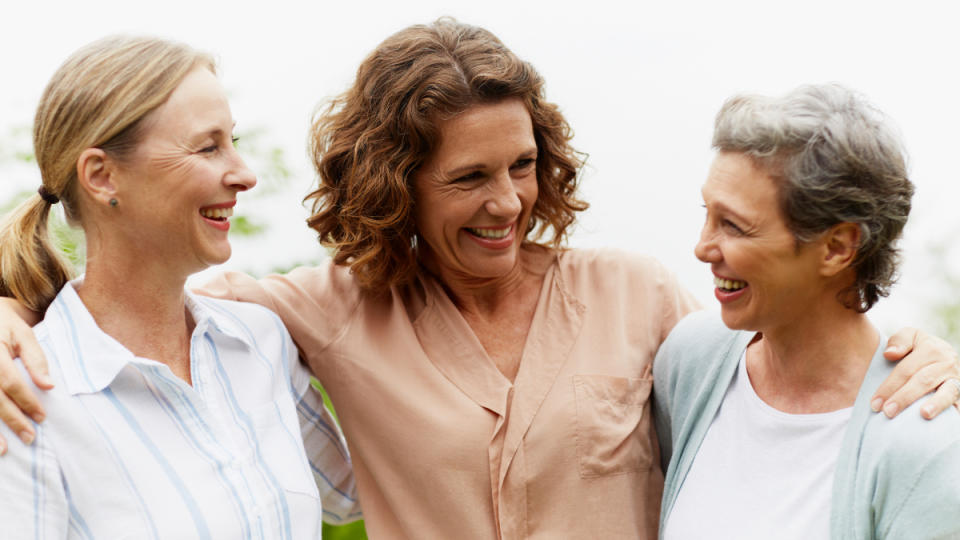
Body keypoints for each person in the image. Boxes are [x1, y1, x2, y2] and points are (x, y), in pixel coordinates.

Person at [0, 20, 957, 540]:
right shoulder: (317, 312)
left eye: (523, 165)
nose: (508, 202)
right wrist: (6, 310)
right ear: (396, 187)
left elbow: (793, 379)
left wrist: (922, 352)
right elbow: (132, 309)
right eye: (467, 179)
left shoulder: (644, 300)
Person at [0, 36, 358, 538]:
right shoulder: (23, 397)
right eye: (208, 146)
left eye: (234, 141)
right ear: (102, 177)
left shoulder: (260, 341)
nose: (244, 173)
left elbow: (356, 493)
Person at [653, 84, 960, 539]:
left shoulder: (926, 447)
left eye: (733, 225)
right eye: (707, 214)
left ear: (837, 247)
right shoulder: (690, 360)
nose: (702, 248)